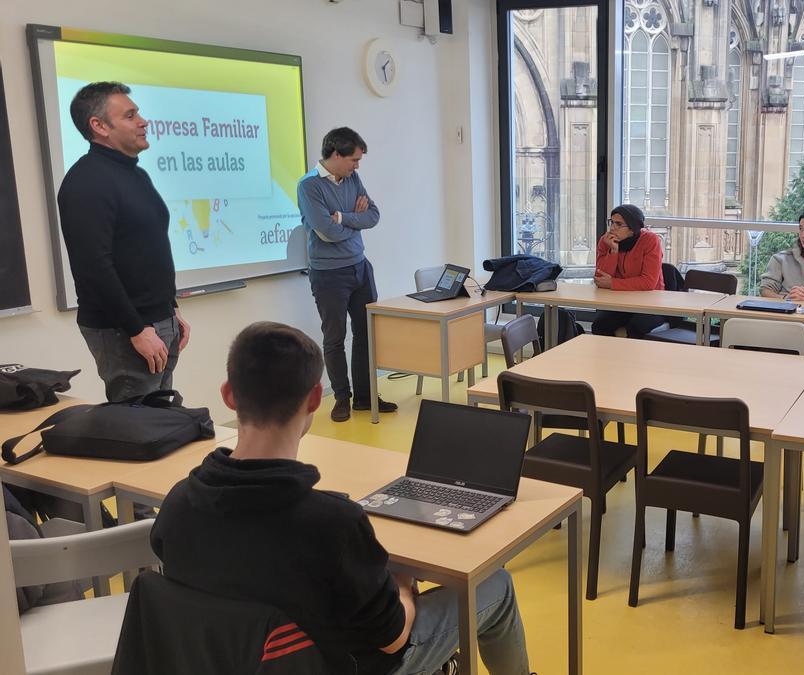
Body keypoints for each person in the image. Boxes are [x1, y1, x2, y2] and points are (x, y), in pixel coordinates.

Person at [150, 322, 532, 675]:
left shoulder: (178, 505)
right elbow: (393, 638)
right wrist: (399, 581)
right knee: (496, 585)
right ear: (315, 398)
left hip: (238, 664)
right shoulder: (331, 523)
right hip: (346, 665)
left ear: (229, 395)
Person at [57, 82, 190, 403]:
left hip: (157, 321)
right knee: (137, 428)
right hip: (124, 329)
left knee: (162, 419)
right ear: (99, 126)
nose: (143, 121)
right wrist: (135, 329)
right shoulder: (86, 182)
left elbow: (145, 249)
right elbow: (93, 267)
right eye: (130, 115)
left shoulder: (135, 175)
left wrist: (170, 310)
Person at [298, 127, 396, 422]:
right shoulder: (309, 186)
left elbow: (374, 216)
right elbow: (326, 233)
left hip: (360, 268)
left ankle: (366, 397)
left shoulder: (352, 178)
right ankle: (342, 398)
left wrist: (342, 217)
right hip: (329, 274)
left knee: (366, 334)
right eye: (354, 159)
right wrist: (353, 220)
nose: (357, 166)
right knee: (335, 338)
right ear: (336, 155)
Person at [591, 204, 667, 338]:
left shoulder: (650, 241)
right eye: (612, 222)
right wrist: (613, 251)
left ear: (632, 229)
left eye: (619, 224)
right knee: (599, 325)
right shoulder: (606, 241)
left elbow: (648, 282)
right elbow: (600, 278)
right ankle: (607, 358)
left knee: (636, 328)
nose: (613, 227)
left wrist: (613, 284)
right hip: (621, 301)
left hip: (651, 303)